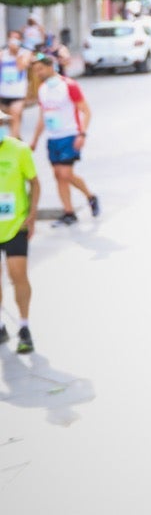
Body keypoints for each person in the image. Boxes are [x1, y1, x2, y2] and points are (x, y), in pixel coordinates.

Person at [28, 55, 98, 226]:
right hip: (53, 137)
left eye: (40, 69)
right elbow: (43, 117)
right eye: (35, 71)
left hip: (69, 135)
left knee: (65, 173)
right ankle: (68, 212)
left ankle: (90, 196)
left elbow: (86, 111)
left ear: (50, 66)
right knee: (58, 175)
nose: (38, 73)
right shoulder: (43, 89)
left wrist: (82, 134)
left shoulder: (69, 86)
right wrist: (35, 139)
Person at [0, 124, 40, 353]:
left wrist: (32, 214)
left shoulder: (19, 150)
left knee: (18, 275)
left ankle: (24, 327)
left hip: (16, 225)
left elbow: (34, 182)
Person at [1, 32, 33, 137]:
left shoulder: (25, 53)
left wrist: (16, 54)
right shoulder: (2, 53)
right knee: (5, 120)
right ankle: (17, 139)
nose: (13, 40)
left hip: (18, 93)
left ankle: (13, 141)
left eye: (16, 38)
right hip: (4, 93)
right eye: (11, 38)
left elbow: (21, 67)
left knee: (14, 117)